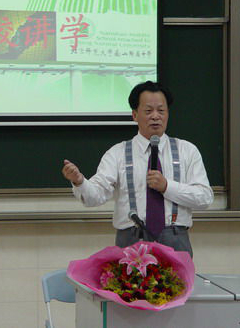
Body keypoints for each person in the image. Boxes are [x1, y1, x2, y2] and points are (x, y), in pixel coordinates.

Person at [62, 81, 213, 256]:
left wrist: (167, 187)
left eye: (161, 111)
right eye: (148, 111)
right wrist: (79, 182)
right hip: (131, 239)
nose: (155, 116)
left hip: (175, 239)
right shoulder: (117, 153)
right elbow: (94, 197)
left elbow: (204, 197)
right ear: (134, 115)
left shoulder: (187, 150)